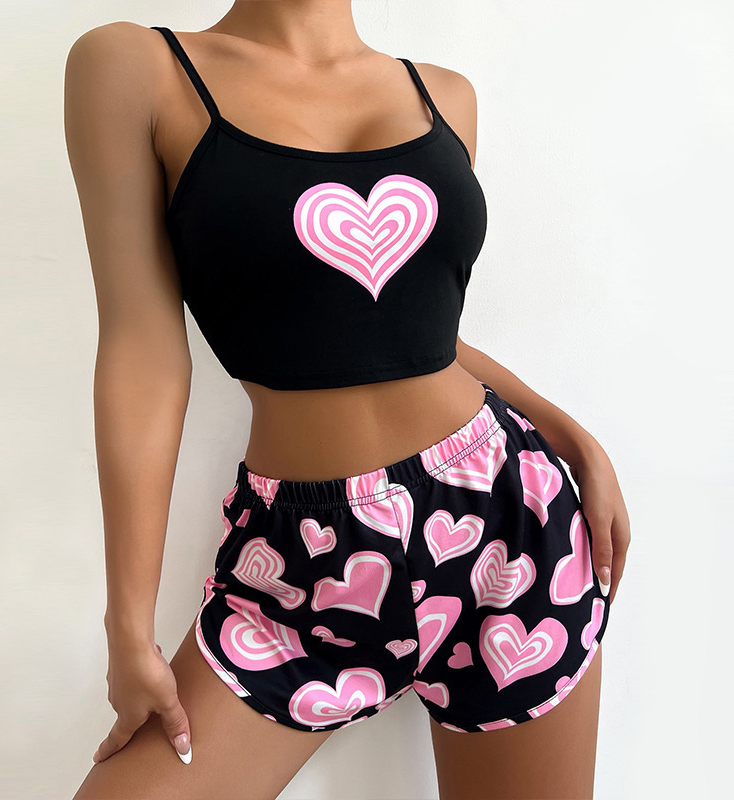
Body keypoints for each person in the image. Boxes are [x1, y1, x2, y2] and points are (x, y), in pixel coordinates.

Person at [65, 2, 630, 798]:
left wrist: (573, 440)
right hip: (303, 559)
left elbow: (412, 338)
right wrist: (128, 627)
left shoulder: (445, 96)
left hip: (513, 525)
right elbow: (142, 352)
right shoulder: (137, 68)